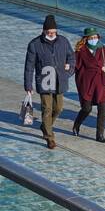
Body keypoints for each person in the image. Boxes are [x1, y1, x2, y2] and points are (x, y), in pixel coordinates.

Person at [23, 14, 74, 150]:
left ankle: (45, 126)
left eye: (54, 32)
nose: (52, 34)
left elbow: (71, 58)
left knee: (59, 108)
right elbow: (29, 67)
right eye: (49, 32)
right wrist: (28, 85)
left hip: (60, 81)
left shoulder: (63, 41)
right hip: (44, 81)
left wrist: (68, 72)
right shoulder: (34, 44)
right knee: (47, 109)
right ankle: (49, 137)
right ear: (44, 31)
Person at [71, 27, 105, 143]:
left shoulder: (104, 50)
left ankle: (100, 134)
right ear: (86, 39)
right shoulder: (80, 52)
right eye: (91, 38)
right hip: (87, 84)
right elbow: (74, 67)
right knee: (86, 108)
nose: (94, 39)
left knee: (102, 109)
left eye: (95, 37)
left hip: (101, 83)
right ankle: (77, 124)